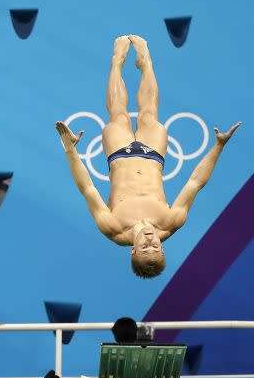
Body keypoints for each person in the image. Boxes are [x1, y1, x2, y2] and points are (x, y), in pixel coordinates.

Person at [55, 35, 240, 278]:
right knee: (150, 115)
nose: (151, 240)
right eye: (157, 247)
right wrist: (218, 147)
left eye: (145, 247)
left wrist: (70, 150)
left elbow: (87, 188)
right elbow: (196, 182)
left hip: (119, 155)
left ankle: (117, 61)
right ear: (163, 248)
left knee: (119, 116)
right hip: (153, 157)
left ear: (133, 250)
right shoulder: (171, 221)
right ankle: (146, 62)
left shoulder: (113, 228)